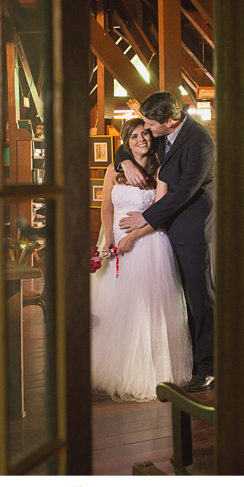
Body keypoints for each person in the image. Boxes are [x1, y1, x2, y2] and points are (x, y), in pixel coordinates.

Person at [116, 91, 216, 392]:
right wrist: (125, 163)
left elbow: (182, 193)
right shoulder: (163, 132)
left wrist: (143, 219)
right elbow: (132, 143)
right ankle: (182, 360)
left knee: (199, 298)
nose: (146, 129)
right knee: (175, 300)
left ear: (168, 121)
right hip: (164, 231)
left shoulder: (200, 143)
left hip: (191, 232)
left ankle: (208, 367)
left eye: (150, 124)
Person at [90, 117, 192, 401]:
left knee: (145, 309)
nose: (141, 140)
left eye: (145, 134)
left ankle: (147, 370)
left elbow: (160, 214)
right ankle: (112, 366)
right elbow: (106, 207)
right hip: (116, 246)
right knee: (115, 308)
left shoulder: (161, 171)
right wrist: (109, 237)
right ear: (127, 142)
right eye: (134, 136)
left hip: (148, 245)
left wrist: (133, 236)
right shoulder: (114, 168)